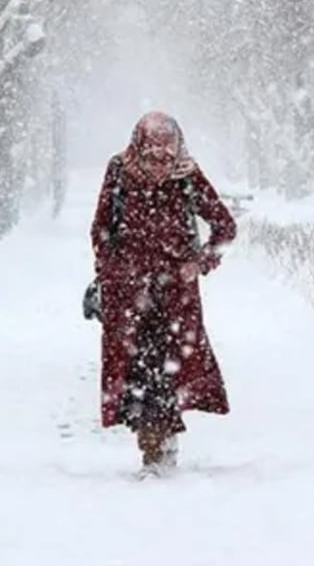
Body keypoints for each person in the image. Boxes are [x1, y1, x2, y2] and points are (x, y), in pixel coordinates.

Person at [89, 111, 237, 476]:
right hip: (129, 296)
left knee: (166, 371)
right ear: (138, 145)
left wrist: (200, 263)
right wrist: (111, 272)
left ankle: (160, 449)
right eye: (152, 153)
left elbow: (224, 226)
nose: (159, 162)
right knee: (137, 372)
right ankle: (153, 446)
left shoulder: (187, 176)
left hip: (176, 298)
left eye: (166, 155)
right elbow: (101, 228)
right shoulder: (119, 171)